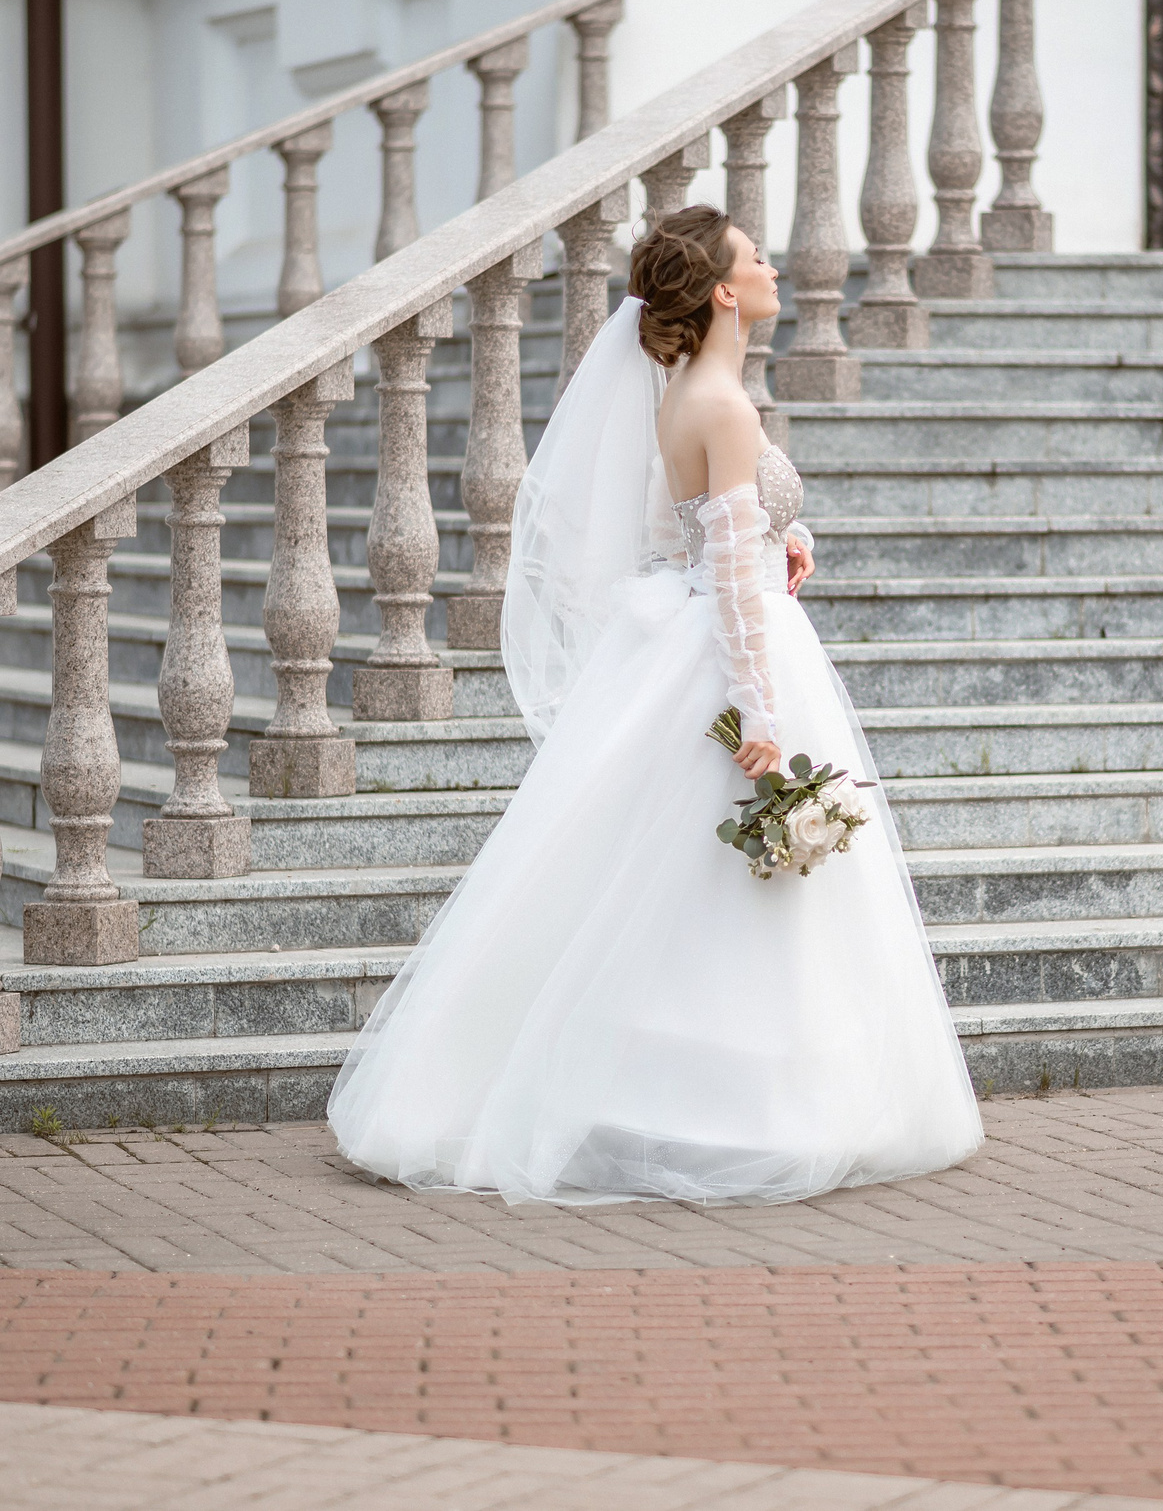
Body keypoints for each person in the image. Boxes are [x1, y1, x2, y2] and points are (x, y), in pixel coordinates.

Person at [326, 205, 985, 1205]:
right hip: (732, 663)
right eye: (755, 258)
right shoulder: (725, 406)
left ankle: (653, 1094)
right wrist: (758, 713)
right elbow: (727, 583)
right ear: (723, 291)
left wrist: (784, 540)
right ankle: (740, 1113)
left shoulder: (689, 392)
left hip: (690, 641)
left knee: (673, 890)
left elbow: (687, 534)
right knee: (728, 897)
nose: (773, 268)